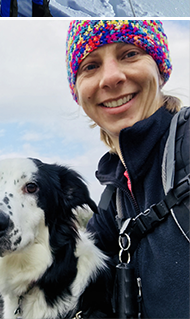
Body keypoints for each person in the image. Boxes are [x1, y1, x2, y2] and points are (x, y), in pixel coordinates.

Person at [66, 20, 189, 318]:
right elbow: (78, 276)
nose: (110, 77)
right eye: (90, 66)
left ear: (159, 70)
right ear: (78, 90)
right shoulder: (116, 194)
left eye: (130, 54)